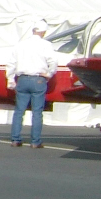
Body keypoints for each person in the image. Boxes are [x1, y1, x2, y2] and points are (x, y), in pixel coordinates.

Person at [7, 19, 67, 149]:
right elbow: (53, 61)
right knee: (37, 112)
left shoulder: (20, 45)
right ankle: (35, 141)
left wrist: (10, 80)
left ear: (33, 30)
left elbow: (11, 64)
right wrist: (49, 74)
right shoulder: (46, 45)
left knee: (19, 111)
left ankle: (15, 139)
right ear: (43, 32)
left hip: (22, 79)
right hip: (38, 80)